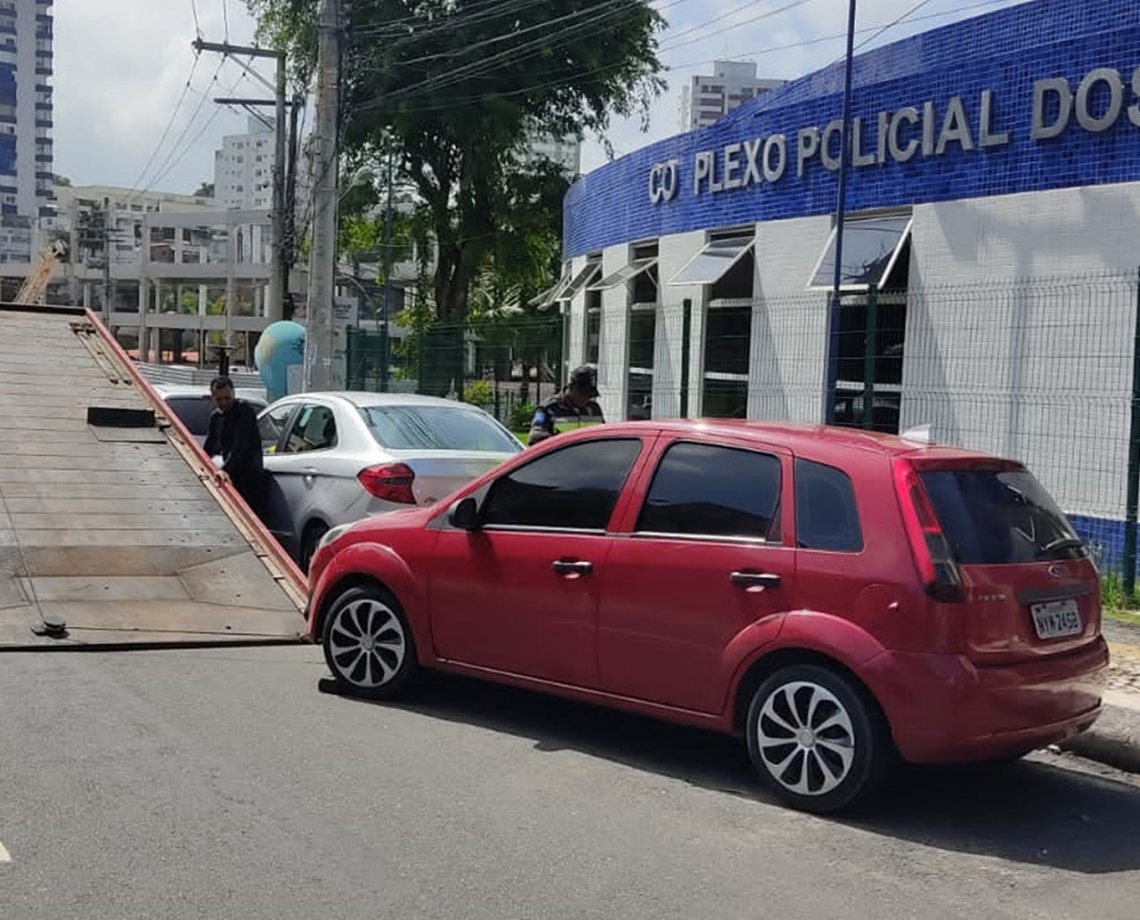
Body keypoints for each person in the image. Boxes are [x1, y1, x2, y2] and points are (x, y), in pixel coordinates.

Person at [204, 376, 266, 518]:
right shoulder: (216, 417)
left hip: (250, 478)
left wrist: (224, 470)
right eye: (219, 399)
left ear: (234, 394)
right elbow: (210, 446)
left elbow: (240, 445)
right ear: (213, 398)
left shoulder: (244, 411)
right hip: (231, 477)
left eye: (227, 398)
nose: (224, 403)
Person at [527, 365, 605, 446]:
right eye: (583, 394)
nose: (586, 399)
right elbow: (535, 439)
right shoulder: (548, 409)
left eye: (590, 395)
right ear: (571, 387)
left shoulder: (594, 409)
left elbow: (603, 437)